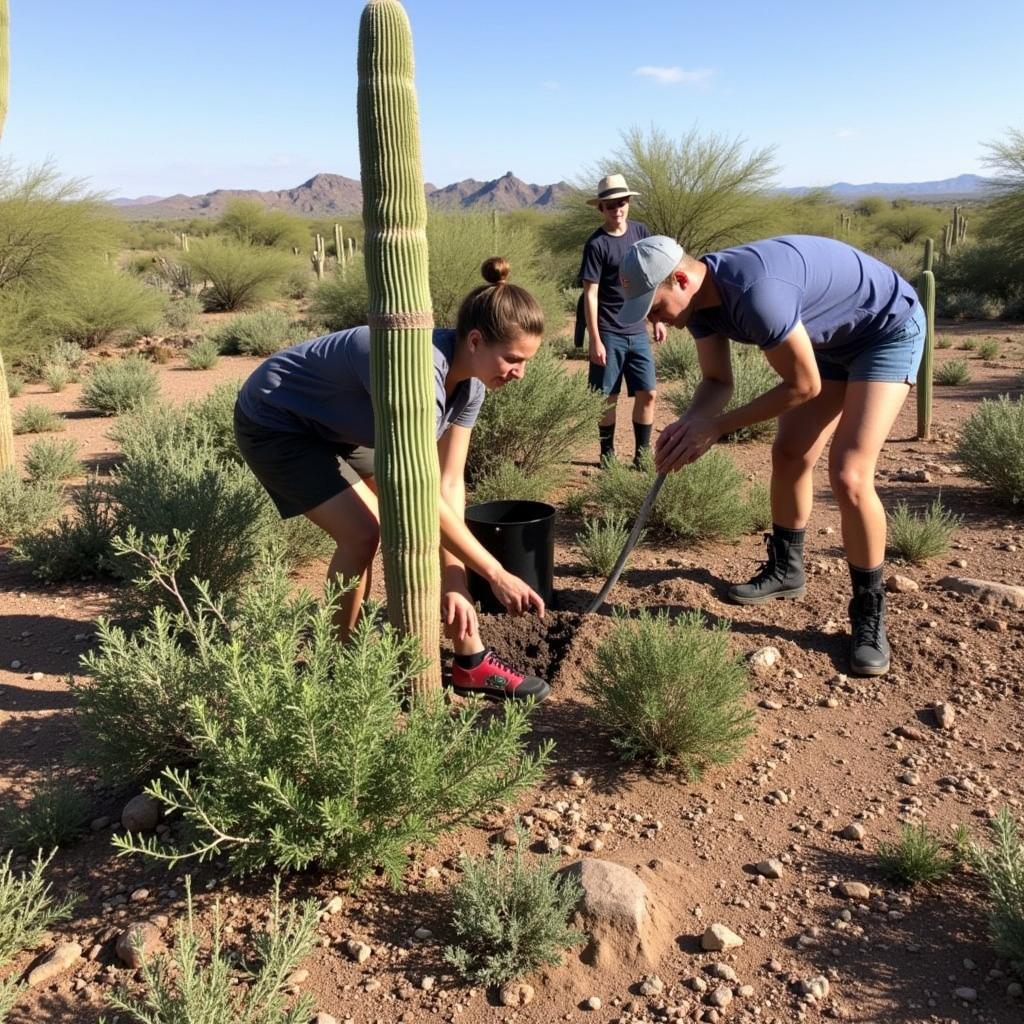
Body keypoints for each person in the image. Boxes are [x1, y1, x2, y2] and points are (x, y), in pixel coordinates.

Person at [233, 257, 550, 702]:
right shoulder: (419, 372)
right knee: (364, 532)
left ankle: (470, 662)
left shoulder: (472, 386)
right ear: (475, 340)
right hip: (277, 419)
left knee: (418, 518)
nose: (519, 373)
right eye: (513, 359)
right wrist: (495, 573)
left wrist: (456, 583)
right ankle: (334, 666)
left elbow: (446, 485)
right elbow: (417, 487)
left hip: (346, 424)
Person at [618, 234, 926, 678]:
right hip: (829, 341)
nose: (654, 320)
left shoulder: (756, 294)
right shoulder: (700, 305)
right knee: (789, 453)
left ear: (681, 279)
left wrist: (716, 429)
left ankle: (869, 612)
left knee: (849, 474)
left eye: (655, 306)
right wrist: (689, 426)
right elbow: (717, 382)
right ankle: (786, 569)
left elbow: (803, 386)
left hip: (884, 331)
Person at [580, 174, 666, 465]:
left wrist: (657, 318)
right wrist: (595, 339)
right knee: (608, 397)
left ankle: (642, 456)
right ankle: (607, 455)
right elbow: (590, 294)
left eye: (623, 202)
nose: (618, 208)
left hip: (637, 329)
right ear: (601, 208)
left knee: (648, 392)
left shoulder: (641, 233)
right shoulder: (597, 244)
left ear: (629, 204)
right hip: (609, 330)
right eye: (611, 204)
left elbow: (650, 280)